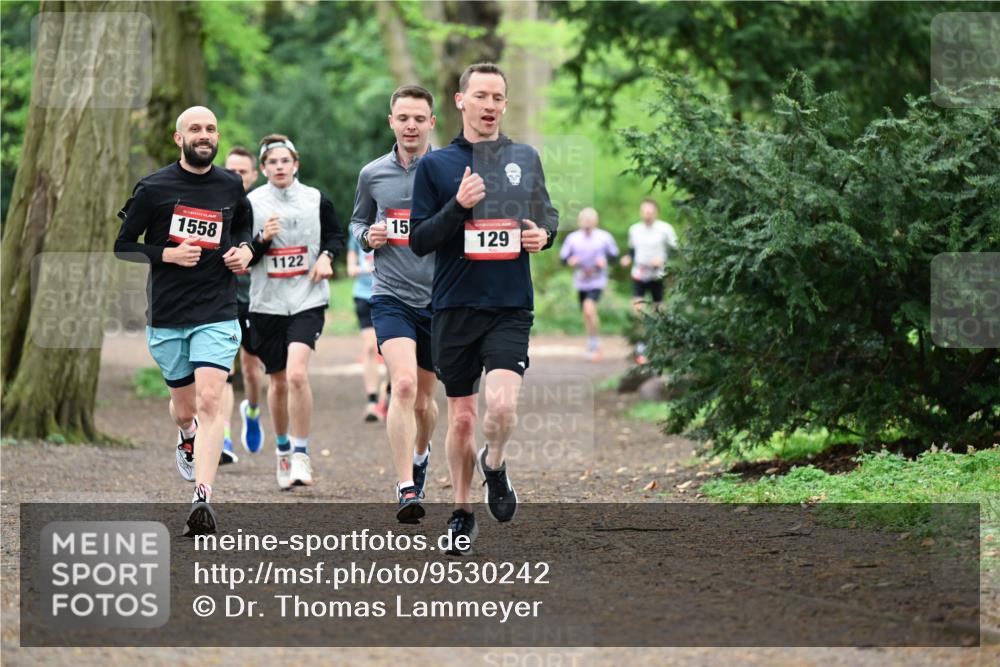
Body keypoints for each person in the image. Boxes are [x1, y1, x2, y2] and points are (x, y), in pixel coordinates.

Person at [410, 64, 559, 553]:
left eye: (498, 96)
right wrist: (457, 205)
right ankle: (460, 511)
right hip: (454, 306)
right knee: (462, 419)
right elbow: (419, 239)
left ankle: (494, 464)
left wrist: (544, 234)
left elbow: (545, 212)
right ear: (461, 101)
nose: (490, 104)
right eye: (481, 95)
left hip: (510, 304)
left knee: (500, 406)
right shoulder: (436, 166)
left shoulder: (524, 157)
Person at [114, 106, 254, 536]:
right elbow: (123, 246)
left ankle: (203, 496)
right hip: (169, 315)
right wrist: (167, 254)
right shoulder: (154, 188)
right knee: (186, 409)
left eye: (211, 128)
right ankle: (186, 433)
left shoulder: (231, 185)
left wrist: (245, 250)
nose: (204, 135)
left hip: (216, 310)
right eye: (195, 128)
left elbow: (245, 229)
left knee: (213, 399)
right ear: (180, 139)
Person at [351, 85, 439, 523]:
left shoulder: (449, 170)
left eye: (418, 119)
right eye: (403, 117)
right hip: (390, 295)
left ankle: (421, 453)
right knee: (401, 386)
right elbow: (358, 220)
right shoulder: (372, 174)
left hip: (440, 299)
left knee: (425, 401)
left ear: (431, 123)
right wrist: (368, 236)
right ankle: (406, 486)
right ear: (391, 121)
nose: (410, 125)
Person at [247, 134, 345, 490]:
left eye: (284, 161)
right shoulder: (252, 203)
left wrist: (326, 257)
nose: (279, 167)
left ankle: (302, 453)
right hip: (267, 303)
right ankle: (283, 450)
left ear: (296, 164)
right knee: (277, 381)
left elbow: (336, 236)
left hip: (307, 298)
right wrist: (262, 241)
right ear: (263, 169)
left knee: (298, 375)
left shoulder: (317, 199)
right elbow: (241, 255)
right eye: (272, 162)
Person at [218, 146, 266, 464]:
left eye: (242, 171)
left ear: (253, 174)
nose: (236, 176)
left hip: (257, 299)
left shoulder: (264, 207)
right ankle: (221, 438)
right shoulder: (213, 203)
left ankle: (251, 410)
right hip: (221, 299)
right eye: (230, 170)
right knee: (221, 370)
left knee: (250, 370)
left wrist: (261, 243)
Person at [620, 198, 678, 363]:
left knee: (658, 309)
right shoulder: (634, 229)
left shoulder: (665, 229)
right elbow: (632, 250)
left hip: (657, 274)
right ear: (640, 212)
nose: (647, 214)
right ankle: (640, 345)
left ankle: (660, 343)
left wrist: (663, 259)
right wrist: (627, 258)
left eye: (650, 211)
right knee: (638, 309)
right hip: (639, 272)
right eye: (644, 211)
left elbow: (676, 249)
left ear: (656, 212)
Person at [559, 207, 619, 361]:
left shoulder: (604, 237)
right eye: (584, 219)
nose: (587, 222)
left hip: (597, 280)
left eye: (590, 219)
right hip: (581, 281)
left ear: (596, 221)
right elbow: (563, 258)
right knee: (587, 313)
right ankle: (592, 339)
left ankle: (595, 342)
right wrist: (570, 261)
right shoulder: (573, 238)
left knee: (589, 308)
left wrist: (604, 261)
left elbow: (614, 256)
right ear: (579, 221)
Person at [345, 233, 381, 422]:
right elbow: (351, 261)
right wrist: (354, 267)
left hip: (389, 295)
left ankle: (390, 393)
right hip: (363, 295)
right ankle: (372, 401)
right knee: (370, 347)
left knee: (391, 351)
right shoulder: (357, 227)